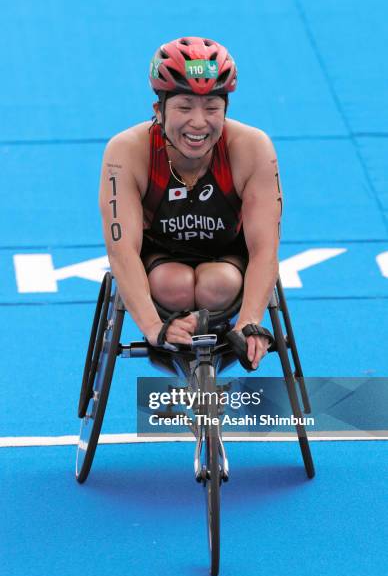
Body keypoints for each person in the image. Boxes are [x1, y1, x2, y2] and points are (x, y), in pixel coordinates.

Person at [99, 37, 282, 370]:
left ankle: (217, 333)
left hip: (226, 261)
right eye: (184, 107)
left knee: (218, 284)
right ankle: (178, 339)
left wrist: (249, 322)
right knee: (174, 284)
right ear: (159, 109)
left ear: (225, 110)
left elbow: (265, 250)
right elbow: (121, 251)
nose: (199, 122)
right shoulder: (126, 152)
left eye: (212, 108)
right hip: (161, 264)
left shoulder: (252, 147)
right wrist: (154, 329)